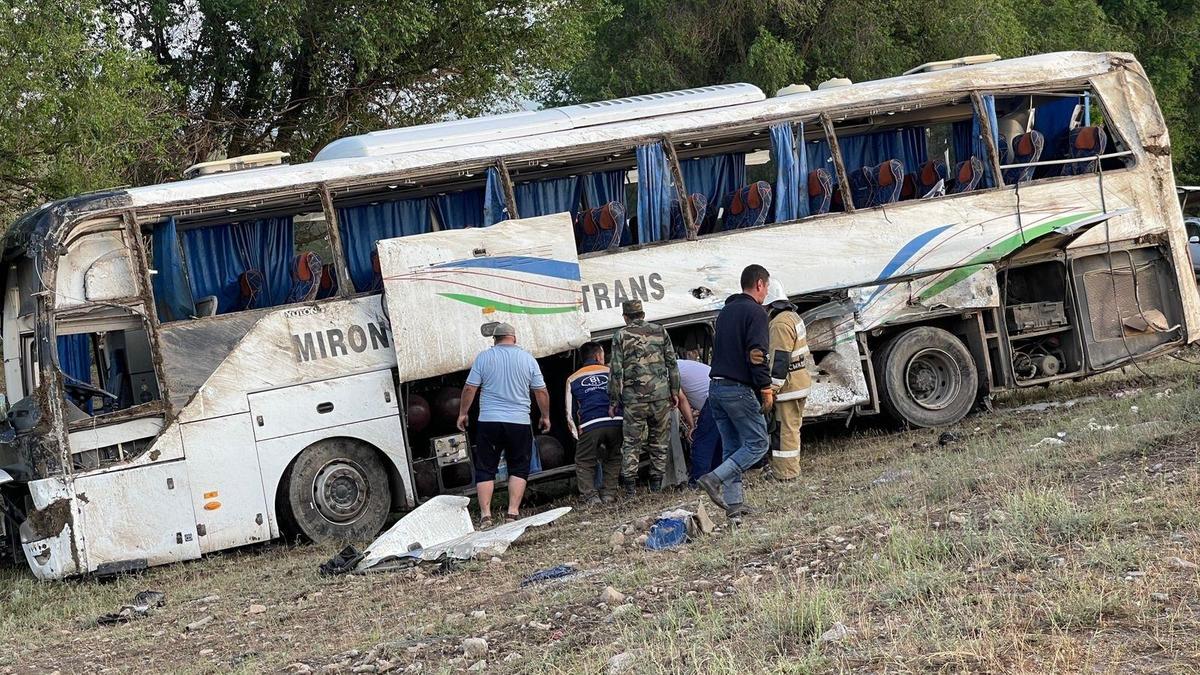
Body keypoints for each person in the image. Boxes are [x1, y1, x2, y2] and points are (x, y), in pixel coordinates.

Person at [456, 322, 550, 528]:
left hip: (489, 421)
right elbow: (541, 391)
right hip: (519, 422)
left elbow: (470, 388)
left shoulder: (484, 357)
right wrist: (545, 416)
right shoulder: (527, 359)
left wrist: (463, 413)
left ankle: (485, 516)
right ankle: (512, 513)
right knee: (518, 466)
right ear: (513, 338)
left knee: (486, 468)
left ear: (495, 340)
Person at [697, 264, 773, 520]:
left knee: (732, 446)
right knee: (758, 443)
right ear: (760, 284)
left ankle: (734, 507)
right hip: (736, 389)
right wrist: (765, 388)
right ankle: (713, 478)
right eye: (767, 287)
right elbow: (757, 355)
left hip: (715, 388)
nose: (766, 292)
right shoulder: (756, 312)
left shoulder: (726, 311)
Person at [608, 299, 681, 496]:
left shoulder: (620, 336)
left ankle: (631, 490)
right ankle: (656, 486)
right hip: (660, 397)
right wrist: (675, 391)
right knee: (659, 441)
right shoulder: (660, 331)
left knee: (632, 443)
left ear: (625, 317)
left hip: (634, 400)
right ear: (642, 314)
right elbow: (672, 364)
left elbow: (616, 371)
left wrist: (614, 400)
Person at [763, 279, 812, 480]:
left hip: (788, 386)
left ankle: (786, 474)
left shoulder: (779, 324)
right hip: (798, 382)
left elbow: (780, 361)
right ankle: (786, 471)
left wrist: (770, 390)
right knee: (790, 429)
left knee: (785, 431)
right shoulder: (792, 317)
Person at [565, 342, 623, 505]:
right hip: (615, 421)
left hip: (590, 424)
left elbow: (569, 410)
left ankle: (591, 497)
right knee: (614, 456)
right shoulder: (611, 372)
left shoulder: (573, 378)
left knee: (584, 460)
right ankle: (608, 494)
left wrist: (577, 433)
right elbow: (622, 396)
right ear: (598, 356)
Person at [677, 358, 723, 485]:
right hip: (723, 393)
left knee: (702, 443)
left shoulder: (668, 370)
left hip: (712, 398)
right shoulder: (681, 365)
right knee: (718, 442)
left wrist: (692, 426)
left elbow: (681, 399)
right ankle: (716, 478)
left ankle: (698, 481)